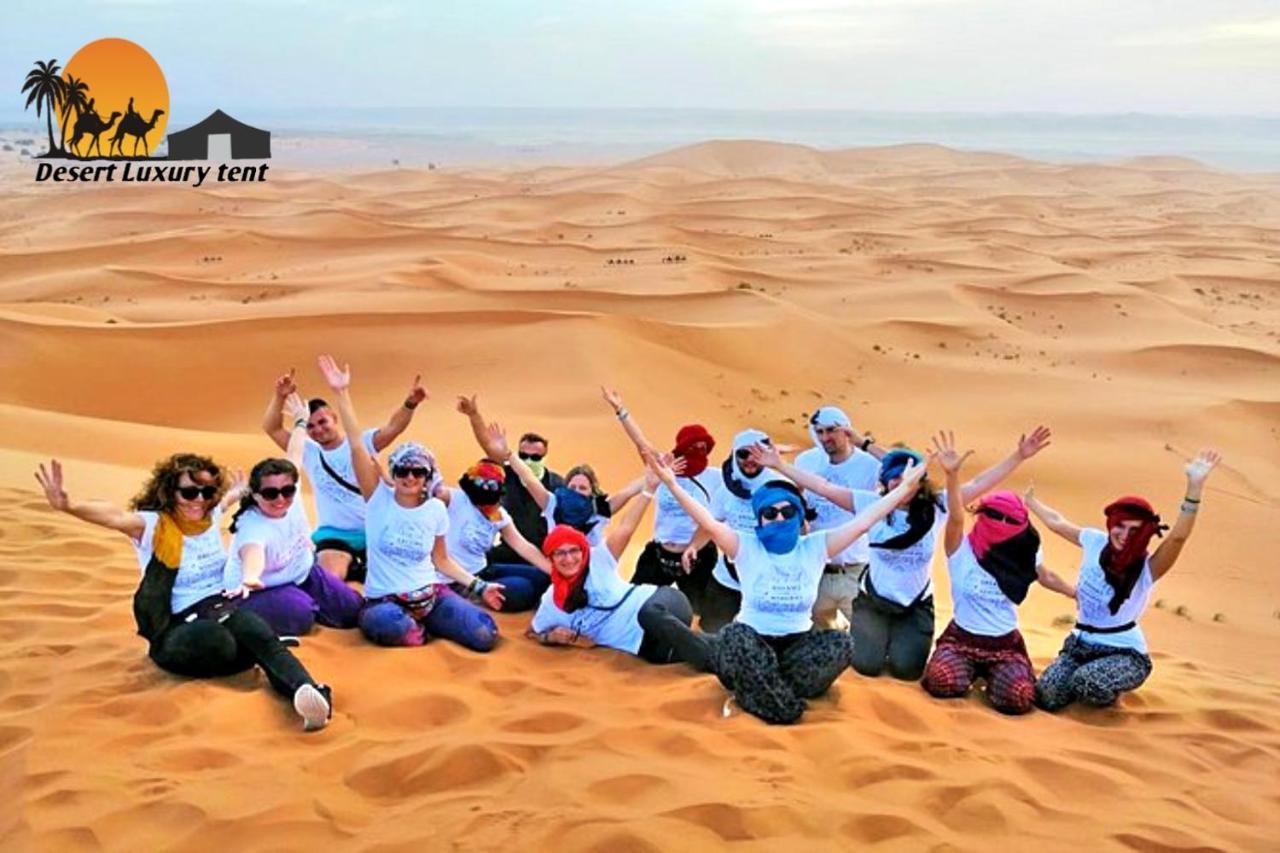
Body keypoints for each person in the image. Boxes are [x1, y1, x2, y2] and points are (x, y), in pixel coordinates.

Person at [34, 455, 333, 731]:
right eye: (189, 492)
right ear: (169, 492)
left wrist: (241, 489)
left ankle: (309, 695)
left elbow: (227, 499)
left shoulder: (210, 514)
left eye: (205, 492)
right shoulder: (152, 526)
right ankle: (256, 651)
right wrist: (69, 505)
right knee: (224, 640)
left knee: (255, 631)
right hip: (175, 628)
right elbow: (113, 516)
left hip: (221, 609)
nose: (197, 501)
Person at [649, 450, 929, 724]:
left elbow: (864, 521)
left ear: (799, 516)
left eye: (787, 511)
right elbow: (707, 521)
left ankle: (755, 689)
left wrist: (904, 489)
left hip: (796, 645)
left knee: (841, 642)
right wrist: (671, 484)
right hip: (752, 641)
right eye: (770, 513)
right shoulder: (745, 545)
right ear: (760, 519)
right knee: (735, 638)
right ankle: (784, 708)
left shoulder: (816, 546)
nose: (779, 518)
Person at [752, 426, 1052, 680]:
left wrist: (1020, 456)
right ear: (884, 481)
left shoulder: (937, 506)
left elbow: (978, 485)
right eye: (894, 477)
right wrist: (779, 466)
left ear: (920, 480)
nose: (900, 482)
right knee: (865, 666)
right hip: (874, 603)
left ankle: (897, 641)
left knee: (907, 670)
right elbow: (823, 486)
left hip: (915, 605)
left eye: (908, 476)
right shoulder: (871, 504)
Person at [314, 355, 505, 651]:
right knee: (394, 627)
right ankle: (416, 631)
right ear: (394, 471)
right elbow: (355, 445)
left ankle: (431, 624)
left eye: (418, 471)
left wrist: (480, 587)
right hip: (385, 601)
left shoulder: (435, 509)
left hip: (430, 596)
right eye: (403, 470)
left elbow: (441, 561)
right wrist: (341, 393)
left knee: (484, 634)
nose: (410, 477)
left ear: (428, 475)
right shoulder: (378, 499)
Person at [1029, 450, 1221, 711]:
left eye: (1135, 530)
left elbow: (1178, 537)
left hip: (1124, 653)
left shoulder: (1149, 567)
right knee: (1047, 696)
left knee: (1088, 684)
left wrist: (1194, 487)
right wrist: (1030, 502)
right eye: (1120, 526)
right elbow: (1057, 523)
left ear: (1145, 534)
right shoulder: (1094, 541)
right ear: (1111, 524)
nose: (1124, 535)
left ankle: (1113, 700)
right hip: (1079, 646)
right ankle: (1080, 682)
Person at [921, 433, 1076, 715]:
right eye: (994, 515)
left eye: (1010, 520)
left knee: (1018, 697)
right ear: (982, 514)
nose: (1001, 524)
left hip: (1005, 643)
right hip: (962, 638)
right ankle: (967, 674)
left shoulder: (1025, 551)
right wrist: (952, 476)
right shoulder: (961, 548)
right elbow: (955, 516)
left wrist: (1075, 593)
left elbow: (1045, 576)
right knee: (941, 681)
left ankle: (994, 677)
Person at [527, 464, 710, 668]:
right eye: (560, 553)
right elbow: (533, 632)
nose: (568, 559)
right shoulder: (551, 601)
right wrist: (552, 637)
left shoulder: (599, 559)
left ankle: (713, 662)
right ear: (551, 558)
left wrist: (648, 490)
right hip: (643, 644)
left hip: (659, 603)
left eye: (574, 551)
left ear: (583, 550)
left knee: (650, 614)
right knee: (669, 654)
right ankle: (726, 651)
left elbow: (626, 527)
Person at [261, 367, 426, 583]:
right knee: (331, 579)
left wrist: (410, 403)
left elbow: (394, 427)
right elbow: (272, 428)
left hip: (376, 530)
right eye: (310, 426)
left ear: (334, 418)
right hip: (335, 535)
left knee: (400, 575)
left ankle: (361, 570)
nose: (318, 430)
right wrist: (279, 396)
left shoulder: (361, 442)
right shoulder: (308, 451)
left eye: (322, 422)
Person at [599, 387, 721, 611]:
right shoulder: (662, 468)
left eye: (703, 447)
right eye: (693, 447)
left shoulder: (715, 477)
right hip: (659, 554)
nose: (699, 451)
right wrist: (620, 409)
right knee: (633, 606)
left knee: (701, 614)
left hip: (696, 555)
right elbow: (640, 442)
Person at [225, 450, 364, 637]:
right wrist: (250, 578)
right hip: (260, 589)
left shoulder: (292, 497)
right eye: (270, 493)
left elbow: (295, 452)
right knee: (301, 615)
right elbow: (252, 552)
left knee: (352, 610)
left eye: (287, 491)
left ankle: (305, 601)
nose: (280, 499)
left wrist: (300, 422)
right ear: (256, 495)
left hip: (302, 574)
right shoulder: (252, 527)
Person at [470, 413, 644, 550]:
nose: (575, 491)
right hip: (556, 568)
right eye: (572, 487)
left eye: (582, 488)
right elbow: (529, 478)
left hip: (591, 570)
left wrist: (657, 475)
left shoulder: (598, 509)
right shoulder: (553, 504)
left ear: (592, 492)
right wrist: (508, 454)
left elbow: (629, 491)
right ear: (565, 487)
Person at [793, 406, 885, 630]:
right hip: (817, 569)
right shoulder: (806, 461)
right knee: (814, 637)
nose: (825, 438)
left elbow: (909, 472)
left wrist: (863, 443)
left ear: (846, 429)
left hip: (856, 569)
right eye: (819, 431)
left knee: (865, 647)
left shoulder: (870, 464)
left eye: (832, 430)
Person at [685, 428, 779, 632]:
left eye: (756, 454)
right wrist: (693, 546)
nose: (749, 460)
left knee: (766, 635)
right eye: (742, 454)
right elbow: (710, 524)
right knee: (711, 630)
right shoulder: (727, 489)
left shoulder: (779, 487)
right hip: (727, 577)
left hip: (767, 582)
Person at [435, 458, 554, 612]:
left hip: (485, 570)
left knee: (542, 577)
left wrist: (556, 573)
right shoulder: (454, 499)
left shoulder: (497, 514)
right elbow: (429, 490)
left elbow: (523, 546)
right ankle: (473, 598)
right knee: (520, 590)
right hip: (459, 580)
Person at [457, 395, 565, 563]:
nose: (529, 461)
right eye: (523, 455)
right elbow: (489, 446)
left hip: (544, 555)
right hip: (509, 550)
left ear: (545, 457)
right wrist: (474, 415)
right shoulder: (507, 474)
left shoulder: (557, 484)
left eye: (536, 457)